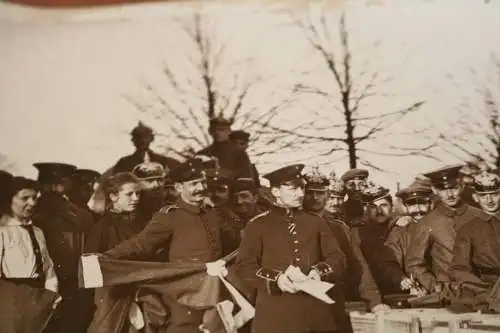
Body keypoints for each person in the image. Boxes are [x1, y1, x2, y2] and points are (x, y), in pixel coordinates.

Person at [104, 158, 232, 333]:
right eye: (194, 184)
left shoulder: (211, 213)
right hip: (185, 293)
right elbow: (141, 244)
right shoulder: (169, 216)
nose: (201, 188)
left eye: (202, 182)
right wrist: (108, 256)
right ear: (179, 188)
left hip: (215, 290)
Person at [236, 164, 348, 333]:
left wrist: (318, 272)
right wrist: (276, 280)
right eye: (293, 189)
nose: (301, 194)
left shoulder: (316, 223)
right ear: (275, 191)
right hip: (275, 317)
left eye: (302, 188)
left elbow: (338, 259)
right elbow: (245, 267)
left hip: (316, 317)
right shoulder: (258, 225)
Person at [32, 162, 95, 333]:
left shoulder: (81, 216)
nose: (52, 189)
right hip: (40, 288)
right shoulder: (30, 215)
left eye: (58, 184)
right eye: (48, 184)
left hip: (74, 287)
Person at [405, 164, 483, 297]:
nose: (449, 194)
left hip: (485, 290)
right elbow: (414, 263)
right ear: (435, 190)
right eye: (442, 189)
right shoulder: (427, 223)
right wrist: (435, 287)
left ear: (462, 186)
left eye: (453, 188)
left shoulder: (479, 215)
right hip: (451, 294)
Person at [85, 172, 146, 333]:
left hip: (141, 290)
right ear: (113, 196)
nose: (136, 198)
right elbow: (91, 267)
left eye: (138, 193)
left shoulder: (140, 224)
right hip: (113, 295)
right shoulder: (102, 228)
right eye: (129, 194)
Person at [0, 176, 61, 332]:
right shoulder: (3, 231)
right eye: (25, 198)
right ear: (9, 199)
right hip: (10, 300)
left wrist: (51, 296)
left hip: (38, 299)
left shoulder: (38, 232)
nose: (32, 203)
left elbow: (48, 268)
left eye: (34, 198)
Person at [448, 170, 500, 313]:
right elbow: (459, 269)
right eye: (483, 196)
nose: (490, 200)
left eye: (495, 194)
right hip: (486, 289)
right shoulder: (468, 229)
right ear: (475, 197)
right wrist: (484, 291)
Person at [112, 122, 180, 175]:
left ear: (151, 138)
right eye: (138, 137)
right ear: (133, 140)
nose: (141, 140)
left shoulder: (163, 161)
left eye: (145, 136)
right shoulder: (124, 163)